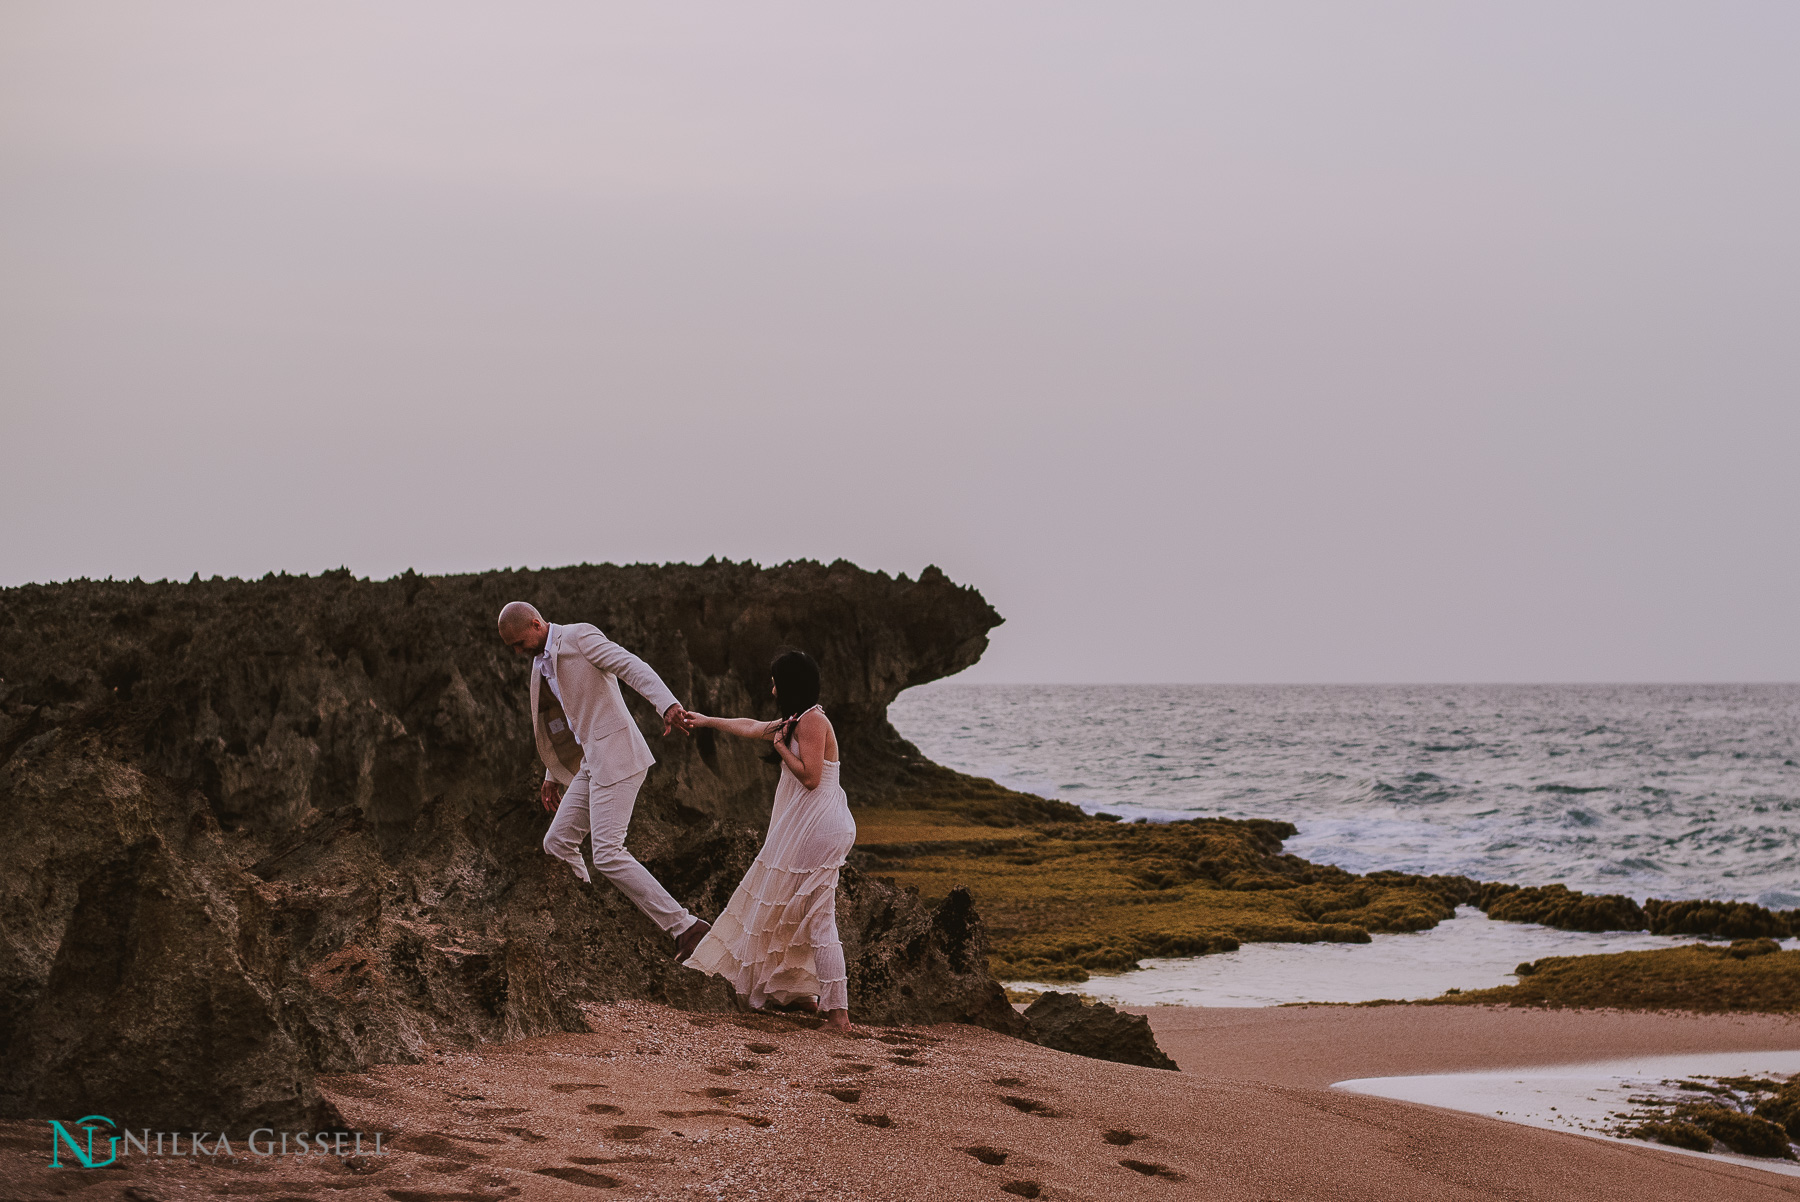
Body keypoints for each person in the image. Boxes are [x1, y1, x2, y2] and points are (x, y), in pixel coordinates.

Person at [497, 601, 711, 960]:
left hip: (619, 755)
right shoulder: (539, 666)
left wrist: (668, 705)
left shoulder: (580, 637)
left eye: (519, 643)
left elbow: (631, 666)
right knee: (557, 842)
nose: (518, 652)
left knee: (608, 854)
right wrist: (551, 773)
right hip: (591, 762)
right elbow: (564, 720)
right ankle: (587, 917)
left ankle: (686, 927)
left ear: (536, 624)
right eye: (512, 648)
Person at [681, 649, 857, 1030]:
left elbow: (810, 777)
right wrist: (706, 720)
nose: (771, 687)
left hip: (819, 825)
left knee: (819, 917)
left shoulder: (812, 721)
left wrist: (778, 747)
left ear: (790, 683)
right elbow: (751, 726)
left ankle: (838, 1013)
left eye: (776, 679)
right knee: (794, 910)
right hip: (811, 825)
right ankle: (799, 995)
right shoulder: (796, 719)